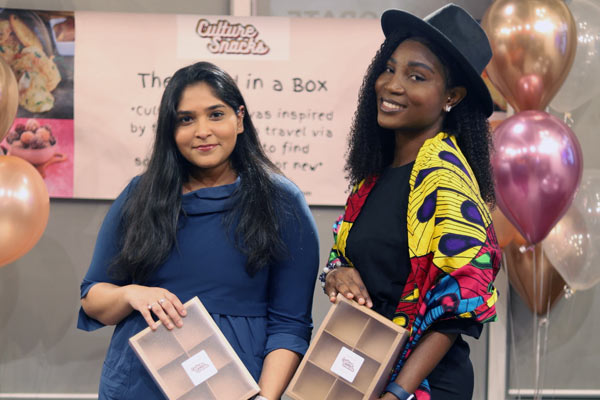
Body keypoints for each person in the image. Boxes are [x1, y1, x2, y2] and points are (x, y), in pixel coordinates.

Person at [78, 61, 319, 400]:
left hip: (238, 387)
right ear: (170, 130)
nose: (202, 130)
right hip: (140, 383)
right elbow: (92, 298)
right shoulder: (140, 195)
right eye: (186, 119)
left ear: (240, 118)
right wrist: (132, 293)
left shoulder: (282, 201)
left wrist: (265, 396)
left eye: (215, 114)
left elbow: (290, 325)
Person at [320, 4, 501, 400]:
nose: (392, 85)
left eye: (416, 76)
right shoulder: (374, 176)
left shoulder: (447, 180)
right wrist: (337, 272)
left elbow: (457, 311)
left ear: (451, 96)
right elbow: (346, 255)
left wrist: (398, 392)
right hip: (365, 371)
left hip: (421, 387)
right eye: (389, 68)